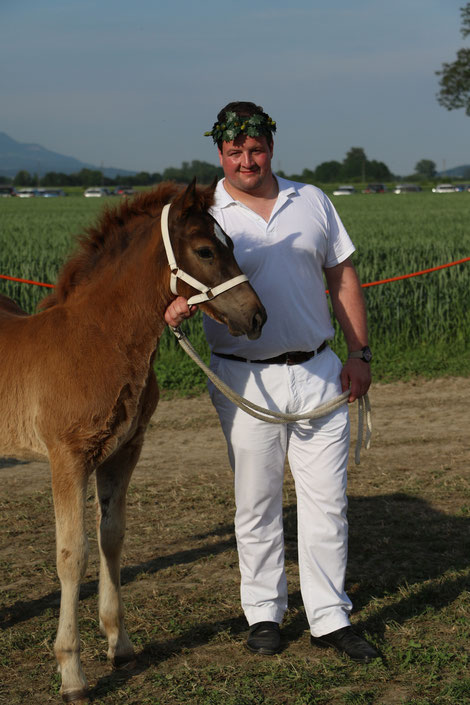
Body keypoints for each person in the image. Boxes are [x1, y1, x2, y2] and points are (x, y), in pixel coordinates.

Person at [164, 101, 380, 663]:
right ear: (220, 154)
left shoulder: (312, 201)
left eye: (255, 149)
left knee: (327, 503)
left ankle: (329, 616)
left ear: (271, 148)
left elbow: (343, 277)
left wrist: (359, 353)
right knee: (256, 503)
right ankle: (264, 612)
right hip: (245, 379)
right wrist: (173, 308)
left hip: (319, 371)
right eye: (234, 151)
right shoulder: (205, 214)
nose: (246, 160)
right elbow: (176, 279)